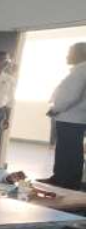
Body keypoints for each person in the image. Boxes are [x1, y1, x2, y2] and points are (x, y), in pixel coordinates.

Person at [40, 42, 86, 189]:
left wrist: (56, 109)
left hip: (70, 117)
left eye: (70, 52)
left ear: (80, 54)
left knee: (67, 150)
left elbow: (71, 96)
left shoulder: (81, 71)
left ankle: (64, 180)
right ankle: (65, 179)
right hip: (77, 117)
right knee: (72, 149)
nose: (67, 56)